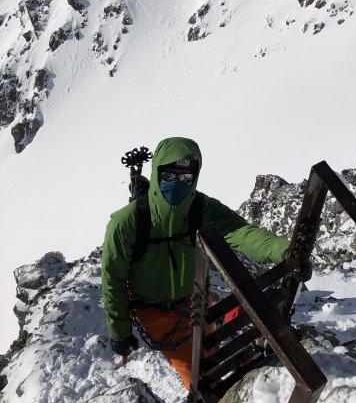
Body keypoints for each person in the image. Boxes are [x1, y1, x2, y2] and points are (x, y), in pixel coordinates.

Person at [101, 136, 294, 388]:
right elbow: (112, 278)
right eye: (169, 175)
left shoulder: (200, 207)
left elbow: (240, 232)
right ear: (157, 172)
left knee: (209, 358)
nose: (177, 183)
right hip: (154, 312)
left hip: (195, 303)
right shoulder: (127, 222)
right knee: (200, 380)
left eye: (185, 177)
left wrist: (285, 251)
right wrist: (120, 331)